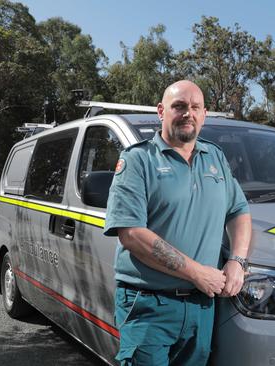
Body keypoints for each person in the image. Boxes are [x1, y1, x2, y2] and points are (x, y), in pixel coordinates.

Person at [104, 80, 252, 365]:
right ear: (161, 111)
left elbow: (239, 211)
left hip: (202, 306)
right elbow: (131, 234)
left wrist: (237, 260)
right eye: (179, 106)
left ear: (205, 114)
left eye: (195, 107)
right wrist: (197, 272)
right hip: (149, 304)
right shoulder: (137, 161)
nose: (188, 113)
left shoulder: (215, 157)